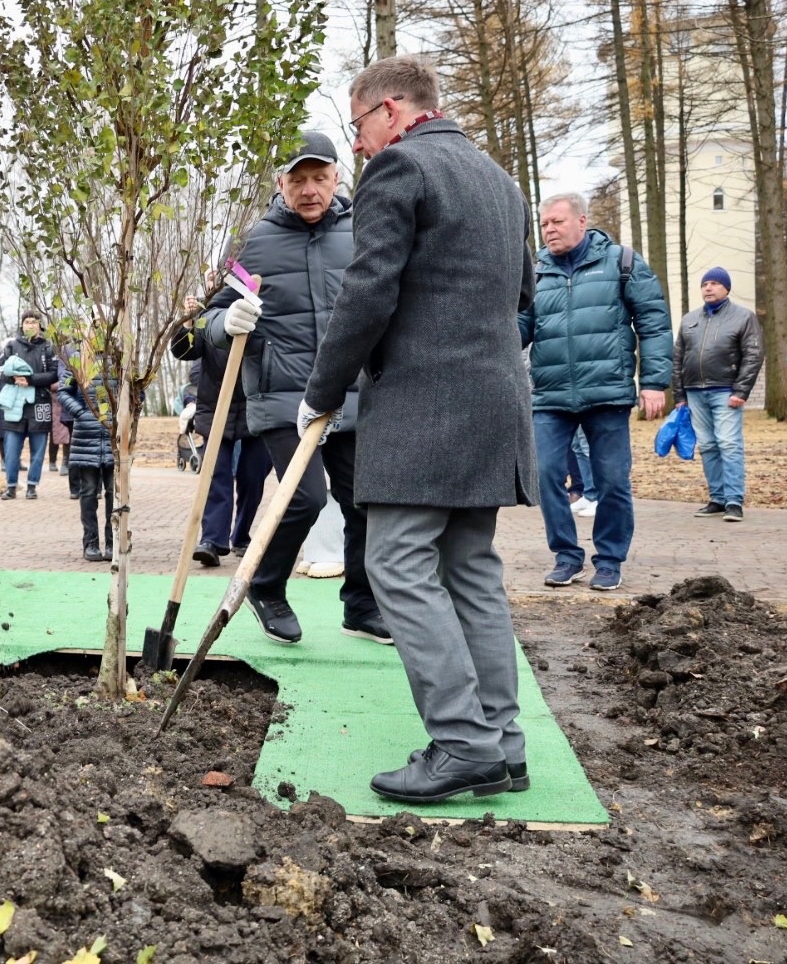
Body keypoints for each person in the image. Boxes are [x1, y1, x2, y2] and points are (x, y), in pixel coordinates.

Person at [301, 55, 536, 803]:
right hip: (495, 402)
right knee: (470, 568)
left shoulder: (400, 170)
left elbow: (367, 293)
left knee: (398, 564)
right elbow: (525, 296)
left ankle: (462, 744)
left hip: (426, 409)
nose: (361, 144)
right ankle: (503, 744)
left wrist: (322, 391)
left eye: (361, 125)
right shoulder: (502, 182)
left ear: (394, 111)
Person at [199, 130, 385, 646]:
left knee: (364, 501)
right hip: (284, 395)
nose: (309, 190)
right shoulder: (252, 241)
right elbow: (208, 317)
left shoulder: (364, 231)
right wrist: (225, 323)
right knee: (304, 499)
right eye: (298, 179)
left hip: (351, 392)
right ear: (280, 183)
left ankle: (362, 605)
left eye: (319, 178)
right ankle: (266, 587)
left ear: (338, 179)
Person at [518, 192, 672, 592]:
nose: (549, 230)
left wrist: (655, 382)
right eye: (545, 223)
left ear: (582, 221)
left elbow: (654, 323)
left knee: (612, 481)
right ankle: (567, 556)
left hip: (607, 393)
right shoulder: (535, 271)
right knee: (546, 474)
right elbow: (519, 326)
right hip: (550, 395)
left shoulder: (622, 262)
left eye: (557, 222)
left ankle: (609, 559)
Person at [171, 294, 271, 566]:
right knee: (217, 477)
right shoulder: (209, 314)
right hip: (217, 410)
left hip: (257, 410)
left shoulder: (265, 308)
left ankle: (241, 536)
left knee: (253, 478)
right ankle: (212, 541)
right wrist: (188, 323)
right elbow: (184, 352)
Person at [671, 268, 762, 522]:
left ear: (727, 289)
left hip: (726, 391)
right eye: (705, 284)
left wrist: (741, 390)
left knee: (729, 444)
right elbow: (677, 358)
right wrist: (679, 396)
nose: (708, 288)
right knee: (708, 446)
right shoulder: (689, 320)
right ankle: (717, 498)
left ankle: (734, 500)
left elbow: (753, 355)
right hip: (694, 391)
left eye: (714, 284)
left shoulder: (744, 317)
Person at [0, 310, 59, 500]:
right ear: (22, 325)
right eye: (27, 322)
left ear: (40, 325)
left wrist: (31, 379)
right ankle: (11, 486)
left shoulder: (48, 348)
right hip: (15, 405)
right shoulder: (11, 346)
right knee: (11, 451)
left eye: (34, 322)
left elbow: (54, 374)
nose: (30, 325)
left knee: (38, 451)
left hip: (40, 404)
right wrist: (11, 380)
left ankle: (32, 486)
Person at [57, 366, 116, 562]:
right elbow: (64, 392)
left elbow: (137, 390)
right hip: (86, 434)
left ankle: (113, 542)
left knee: (114, 491)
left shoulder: (120, 358)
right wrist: (82, 413)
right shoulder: (78, 360)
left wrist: (123, 414)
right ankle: (90, 542)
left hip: (114, 434)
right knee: (89, 490)